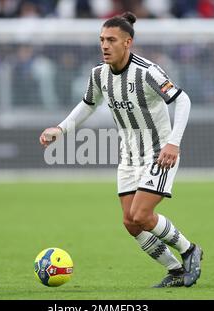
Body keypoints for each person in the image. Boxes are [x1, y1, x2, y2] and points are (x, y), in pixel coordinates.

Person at [39, 12, 203, 288]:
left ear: (127, 42)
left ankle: (189, 251)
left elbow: (182, 100)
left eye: (111, 40)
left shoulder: (148, 72)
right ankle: (175, 270)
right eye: (102, 39)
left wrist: (174, 143)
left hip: (159, 154)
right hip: (128, 158)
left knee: (141, 215)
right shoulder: (99, 74)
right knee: (130, 223)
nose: (104, 45)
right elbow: (88, 104)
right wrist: (61, 129)